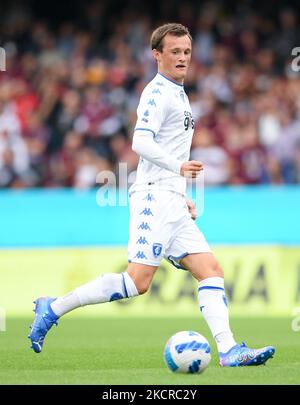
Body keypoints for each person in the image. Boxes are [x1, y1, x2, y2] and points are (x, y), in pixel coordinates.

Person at [29, 23, 275, 367]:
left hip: (172, 197)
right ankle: (53, 307)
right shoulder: (157, 93)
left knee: (211, 270)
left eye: (187, 51)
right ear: (156, 55)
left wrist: (181, 192)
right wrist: (177, 170)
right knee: (137, 282)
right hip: (153, 199)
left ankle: (229, 349)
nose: (183, 58)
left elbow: (169, 145)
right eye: (175, 51)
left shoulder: (180, 93)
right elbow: (140, 142)